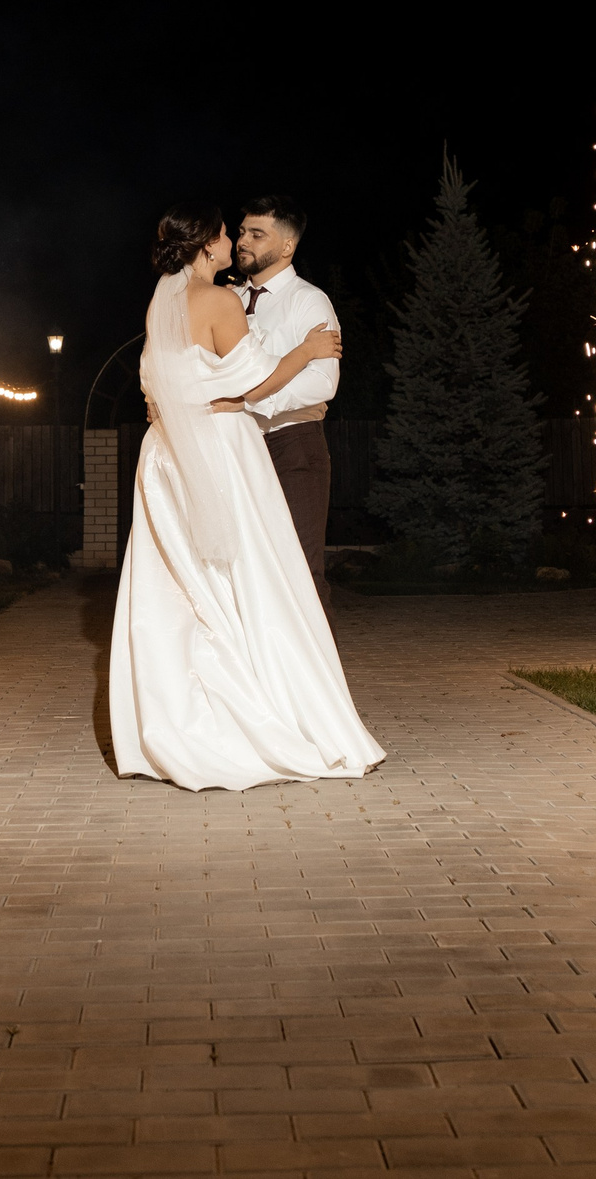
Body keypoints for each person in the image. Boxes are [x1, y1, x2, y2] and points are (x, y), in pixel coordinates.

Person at [108, 206, 387, 791]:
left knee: (182, 585)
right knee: (252, 577)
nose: (234, 240)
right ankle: (262, 713)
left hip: (165, 458)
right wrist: (307, 353)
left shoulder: (161, 303)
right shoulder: (221, 301)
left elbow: (157, 390)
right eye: (227, 234)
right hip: (220, 450)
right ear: (207, 246)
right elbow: (255, 382)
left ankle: (178, 724)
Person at [230, 197, 338, 603]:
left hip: (294, 444)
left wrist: (252, 402)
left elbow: (323, 382)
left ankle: (320, 669)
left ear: (287, 247)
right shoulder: (231, 302)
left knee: (302, 568)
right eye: (241, 232)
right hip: (240, 447)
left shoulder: (308, 301)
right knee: (249, 569)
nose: (243, 241)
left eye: (257, 234)